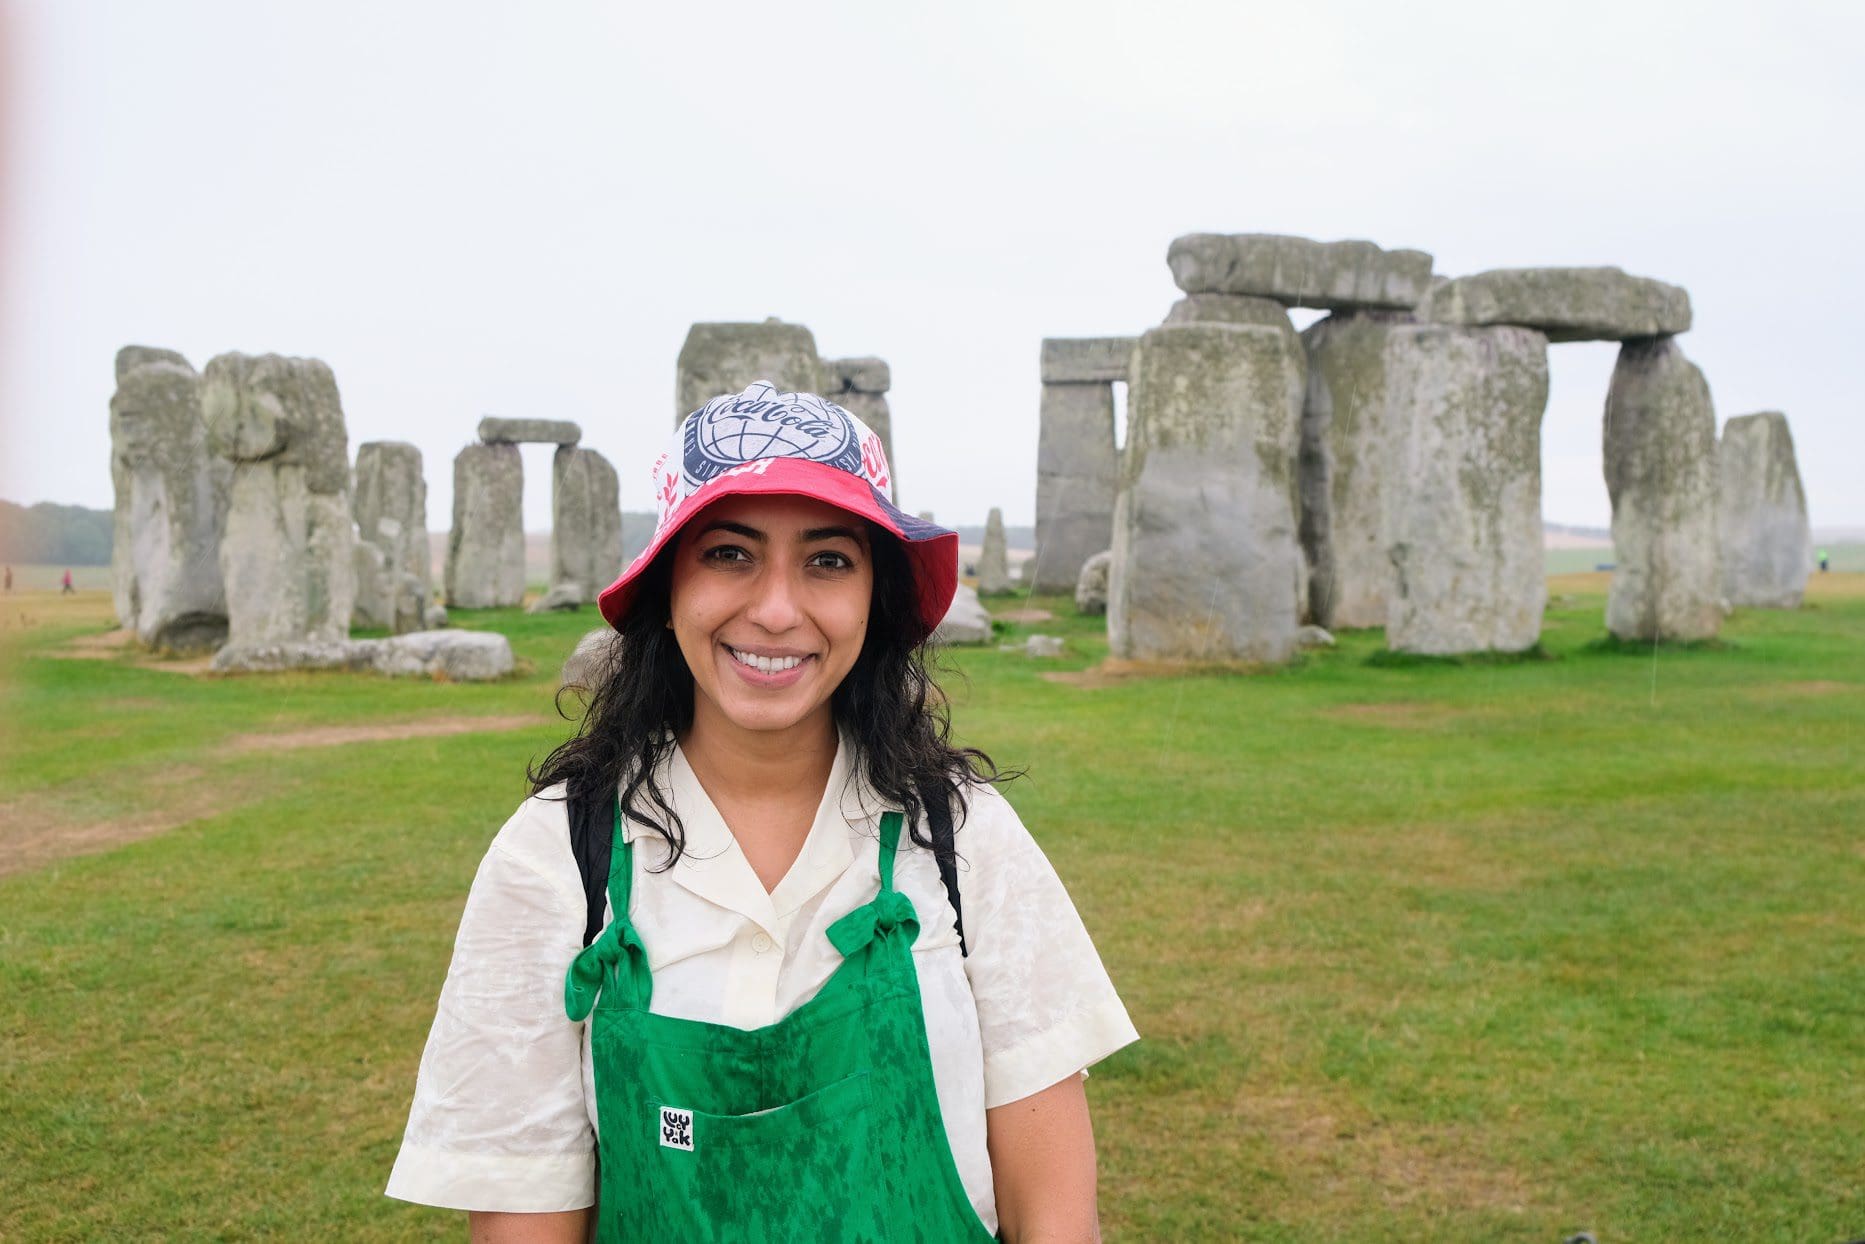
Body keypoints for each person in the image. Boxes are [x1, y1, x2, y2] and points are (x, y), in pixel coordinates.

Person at [387, 382, 1138, 1241]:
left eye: (827, 561)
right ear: (667, 587)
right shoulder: (556, 858)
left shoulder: (962, 838)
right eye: (730, 554)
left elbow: (1054, 1219)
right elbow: (525, 1222)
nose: (777, 611)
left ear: (873, 598)